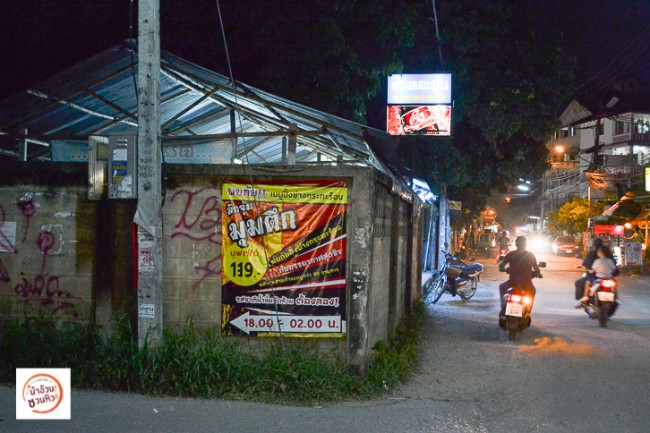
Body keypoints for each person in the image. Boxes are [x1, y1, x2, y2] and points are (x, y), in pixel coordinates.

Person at [498, 236, 541, 327]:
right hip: (526, 285)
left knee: (502, 287)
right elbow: (537, 269)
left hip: (512, 284)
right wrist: (537, 274)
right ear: (525, 245)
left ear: (516, 244)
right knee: (533, 291)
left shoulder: (511, 254)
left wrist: (504, 269)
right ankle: (527, 312)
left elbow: (501, 265)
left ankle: (503, 310)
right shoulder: (530, 255)